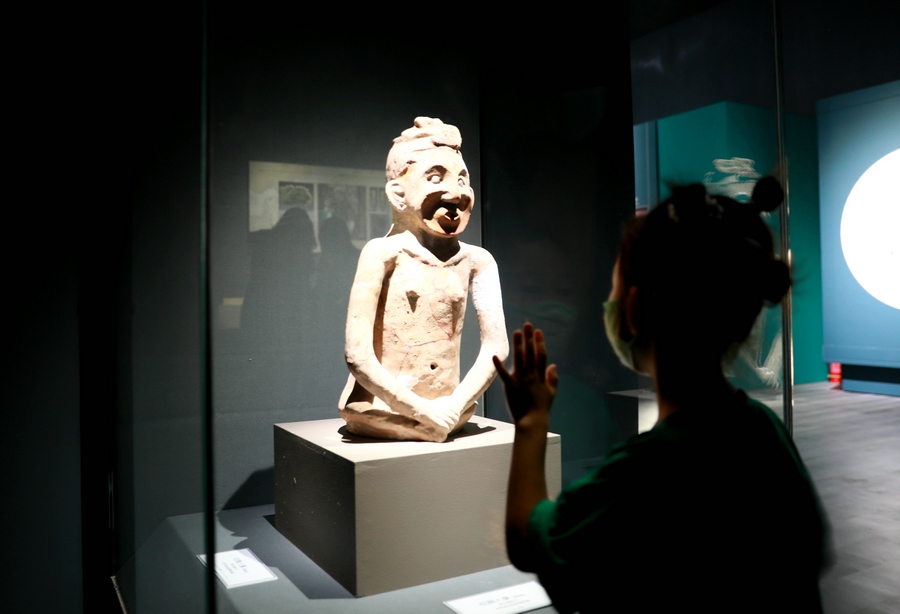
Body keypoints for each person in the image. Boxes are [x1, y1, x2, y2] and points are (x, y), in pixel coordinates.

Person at [493, 178, 831, 612]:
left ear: (633, 309)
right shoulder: (765, 429)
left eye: (614, 289)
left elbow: (530, 541)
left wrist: (531, 423)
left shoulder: (649, 467)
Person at [339, 117, 508, 442]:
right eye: (435, 177)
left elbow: (496, 347)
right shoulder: (382, 254)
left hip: (453, 409)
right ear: (398, 194)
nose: (456, 193)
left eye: (462, 179)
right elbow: (357, 355)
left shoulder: (479, 261)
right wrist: (420, 411)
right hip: (379, 410)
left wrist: (455, 404)